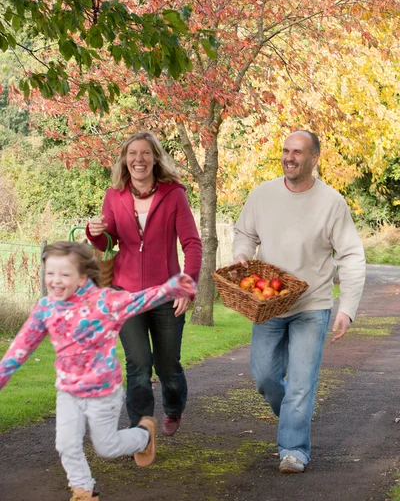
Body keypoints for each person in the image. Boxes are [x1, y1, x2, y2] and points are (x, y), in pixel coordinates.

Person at [0, 241, 196, 501]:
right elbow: (21, 346)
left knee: (106, 446)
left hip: (103, 392)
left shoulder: (105, 302)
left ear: (82, 277)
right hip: (68, 392)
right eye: (50, 273)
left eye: (64, 274)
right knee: (66, 445)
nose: (55, 281)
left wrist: (172, 287)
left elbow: (139, 299)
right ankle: (84, 489)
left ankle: (143, 436)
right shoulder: (46, 308)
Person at [233, 130, 366, 474]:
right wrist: (241, 255)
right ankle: (294, 413)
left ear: (314, 159)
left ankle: (293, 449)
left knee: (303, 383)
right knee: (264, 378)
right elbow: (245, 233)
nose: (289, 157)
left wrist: (347, 308)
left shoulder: (331, 203)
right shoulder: (263, 195)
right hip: (268, 304)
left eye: (297, 152)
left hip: (312, 305)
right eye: (286, 150)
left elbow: (351, 255)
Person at [86, 131, 202, 436]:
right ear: (125, 160)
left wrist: (188, 286)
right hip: (125, 294)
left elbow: (192, 243)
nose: (139, 159)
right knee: (138, 364)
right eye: (132, 153)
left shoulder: (173, 194)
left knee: (167, 367)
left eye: (145, 153)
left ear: (155, 158)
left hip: (166, 294)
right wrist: (94, 230)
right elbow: (108, 240)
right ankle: (140, 429)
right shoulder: (114, 195)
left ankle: (174, 407)